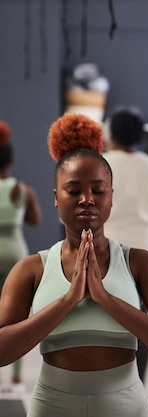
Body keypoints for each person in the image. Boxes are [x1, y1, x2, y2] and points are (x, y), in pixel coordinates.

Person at [0, 113, 148, 417]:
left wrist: (105, 299)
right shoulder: (30, 269)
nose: (86, 199)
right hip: (52, 406)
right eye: (73, 190)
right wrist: (67, 300)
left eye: (98, 191)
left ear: (111, 198)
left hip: (126, 406)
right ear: (56, 197)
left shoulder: (140, 263)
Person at [103, 107, 148, 381]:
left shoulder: (101, 163)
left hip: (106, 253)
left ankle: (106, 383)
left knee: (102, 317)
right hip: (147, 255)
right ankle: (137, 385)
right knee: (142, 322)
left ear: (109, 134)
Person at [0, 121, 42, 389]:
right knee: (16, 314)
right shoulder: (22, 189)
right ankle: (15, 377)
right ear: (11, 161)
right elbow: (35, 221)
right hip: (15, 253)